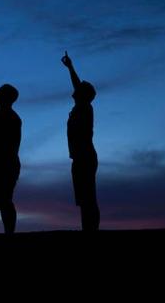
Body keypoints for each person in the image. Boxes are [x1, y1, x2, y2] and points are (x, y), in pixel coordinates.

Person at [61, 51, 100, 231]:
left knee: (88, 198)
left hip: (84, 157)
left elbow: (77, 85)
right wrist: (70, 67)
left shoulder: (84, 108)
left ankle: (91, 230)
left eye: (78, 91)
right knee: (85, 198)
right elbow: (78, 85)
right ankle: (88, 229)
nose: (73, 92)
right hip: (80, 157)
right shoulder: (81, 107)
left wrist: (71, 69)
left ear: (83, 95)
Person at [0, 83, 22, 234]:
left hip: (7, 163)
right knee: (4, 200)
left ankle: (9, 232)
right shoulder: (5, 116)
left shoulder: (8, 118)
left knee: (5, 200)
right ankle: (8, 232)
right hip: (7, 163)